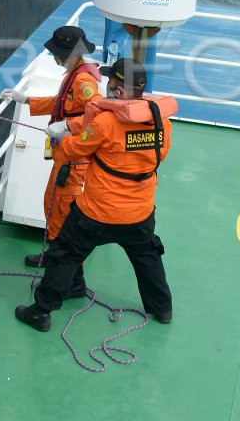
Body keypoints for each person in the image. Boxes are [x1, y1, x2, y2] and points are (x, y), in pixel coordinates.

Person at [14, 59, 177, 332]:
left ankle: (41, 311)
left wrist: (61, 136)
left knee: (64, 254)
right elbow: (161, 154)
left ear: (117, 88)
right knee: (148, 257)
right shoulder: (163, 124)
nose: (107, 84)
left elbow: (76, 150)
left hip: (97, 211)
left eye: (111, 80)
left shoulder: (105, 123)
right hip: (139, 212)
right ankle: (162, 309)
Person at [4, 25, 102, 267]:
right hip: (65, 153)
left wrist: (67, 126)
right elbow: (61, 104)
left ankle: (65, 264)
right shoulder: (73, 74)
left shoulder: (83, 81)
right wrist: (27, 100)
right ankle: (56, 255)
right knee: (53, 201)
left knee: (62, 206)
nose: (56, 58)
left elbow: (98, 116)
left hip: (74, 157)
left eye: (59, 53)